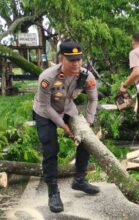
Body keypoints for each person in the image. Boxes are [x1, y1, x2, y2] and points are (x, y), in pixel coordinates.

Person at [32, 40, 100, 213]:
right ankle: (53, 191)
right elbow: (46, 106)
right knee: (51, 147)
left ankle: (79, 179)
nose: (76, 63)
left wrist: (89, 122)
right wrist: (63, 125)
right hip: (44, 112)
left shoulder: (86, 76)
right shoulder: (47, 78)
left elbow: (93, 99)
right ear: (62, 58)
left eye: (79, 59)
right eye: (72, 60)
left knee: (86, 138)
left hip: (67, 109)